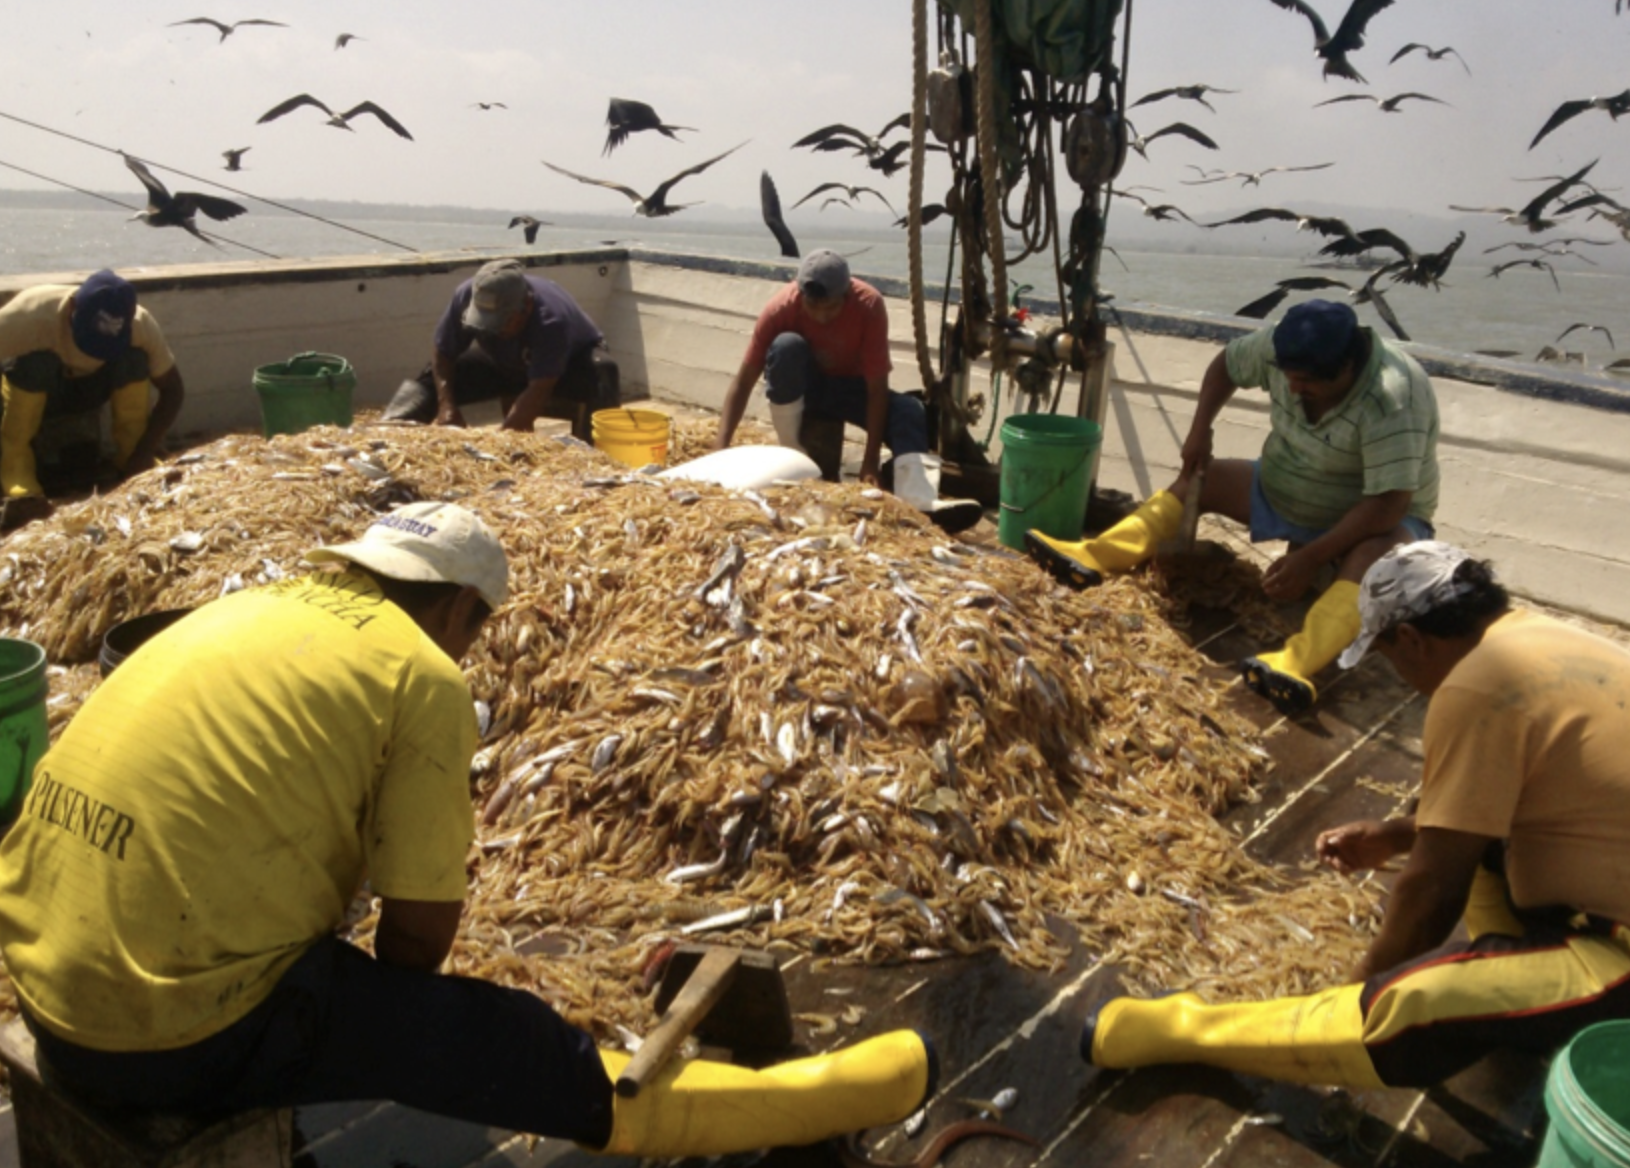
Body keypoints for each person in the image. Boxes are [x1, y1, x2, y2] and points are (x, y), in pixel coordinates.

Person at [0, 501, 932, 1156]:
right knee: (503, 1041)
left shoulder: (245, 609)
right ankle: (809, 1102)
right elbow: (416, 937)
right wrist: (410, 1031)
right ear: (457, 607)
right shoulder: (419, 672)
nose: (470, 650)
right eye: (475, 630)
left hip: (37, 977)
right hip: (155, 1041)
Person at [1081, 542, 1630, 1089]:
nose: (1401, 678)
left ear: (1412, 639)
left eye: (1390, 661)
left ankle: (1179, 1031)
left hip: (1617, 960)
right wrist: (1397, 834)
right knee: (1487, 851)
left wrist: (1358, 992)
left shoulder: (1475, 686)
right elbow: (1535, 797)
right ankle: (1520, 986)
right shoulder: (1546, 637)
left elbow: (1432, 894)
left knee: (1414, 1009)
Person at [1026, 299, 1440, 716]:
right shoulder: (1281, 347)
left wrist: (1312, 558)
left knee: (1373, 562)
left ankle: (1296, 664)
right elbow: (1225, 365)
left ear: (1348, 368)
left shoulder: (1393, 397)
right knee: (1204, 481)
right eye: (1288, 378)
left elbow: (1388, 506)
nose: (1294, 390)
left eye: (1308, 383)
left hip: (1371, 517)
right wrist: (1199, 431)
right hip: (1287, 485)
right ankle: (1092, 556)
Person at [714, 249, 982, 532]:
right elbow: (743, 382)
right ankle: (792, 453)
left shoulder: (869, 305)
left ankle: (919, 499)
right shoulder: (780, 309)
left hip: (852, 390)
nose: (820, 316)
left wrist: (869, 462)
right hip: (806, 390)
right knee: (785, 347)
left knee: (909, 409)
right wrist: (719, 450)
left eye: (830, 307)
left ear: (848, 295)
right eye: (812, 306)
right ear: (800, 294)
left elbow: (877, 389)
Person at [0, 269, 184, 530]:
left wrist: (145, 450)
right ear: (73, 306)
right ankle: (19, 482)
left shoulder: (141, 324)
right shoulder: (29, 316)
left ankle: (130, 459)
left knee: (133, 360)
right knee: (35, 364)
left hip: (90, 391)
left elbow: (173, 390)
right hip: (31, 395)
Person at [384, 259, 619, 441]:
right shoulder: (465, 296)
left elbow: (539, 388)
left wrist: (500, 444)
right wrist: (447, 406)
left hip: (568, 365)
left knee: (604, 372)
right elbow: (443, 353)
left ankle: (594, 457)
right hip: (507, 362)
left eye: (502, 322)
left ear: (526, 306)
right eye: (485, 324)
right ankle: (389, 435)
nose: (494, 331)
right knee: (430, 380)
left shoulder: (550, 321)